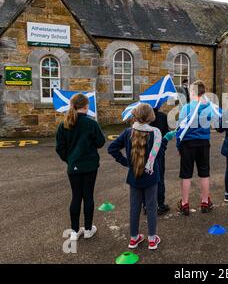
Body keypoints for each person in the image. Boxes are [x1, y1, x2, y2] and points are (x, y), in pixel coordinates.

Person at [108, 104, 168, 250]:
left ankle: (134, 239)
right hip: (151, 177)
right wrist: (165, 140)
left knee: (134, 208)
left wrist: (126, 162)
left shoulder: (128, 132)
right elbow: (158, 155)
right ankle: (152, 240)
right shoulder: (156, 134)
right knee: (152, 207)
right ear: (150, 117)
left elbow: (112, 148)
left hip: (134, 177)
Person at [56, 93, 106, 242]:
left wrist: (70, 160)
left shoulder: (63, 124)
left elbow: (60, 148)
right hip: (90, 166)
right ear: (85, 106)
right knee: (88, 196)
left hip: (74, 166)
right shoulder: (91, 123)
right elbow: (100, 142)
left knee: (76, 197)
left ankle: (74, 231)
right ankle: (89, 229)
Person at [177, 80, 213, 216]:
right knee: (204, 173)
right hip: (203, 143)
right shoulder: (209, 107)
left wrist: (178, 146)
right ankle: (205, 201)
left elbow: (180, 129)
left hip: (187, 144)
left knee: (186, 174)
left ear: (193, 92)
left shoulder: (186, 108)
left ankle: (184, 203)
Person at [150, 107, 170, 215]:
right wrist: (163, 147)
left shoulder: (144, 117)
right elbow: (166, 135)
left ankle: (147, 205)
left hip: (147, 153)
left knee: (148, 178)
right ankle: (160, 205)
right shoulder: (163, 116)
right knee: (160, 177)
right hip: (159, 152)